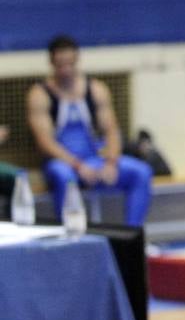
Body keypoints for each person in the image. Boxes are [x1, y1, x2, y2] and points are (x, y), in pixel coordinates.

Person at [28, 35, 153, 227]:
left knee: (141, 172)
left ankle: (133, 235)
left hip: (93, 159)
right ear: (52, 63)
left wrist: (111, 162)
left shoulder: (95, 89)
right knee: (65, 178)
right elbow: (45, 143)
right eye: (60, 65)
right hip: (63, 163)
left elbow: (112, 131)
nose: (66, 70)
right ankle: (71, 236)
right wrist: (78, 166)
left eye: (70, 64)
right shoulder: (40, 94)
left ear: (77, 60)